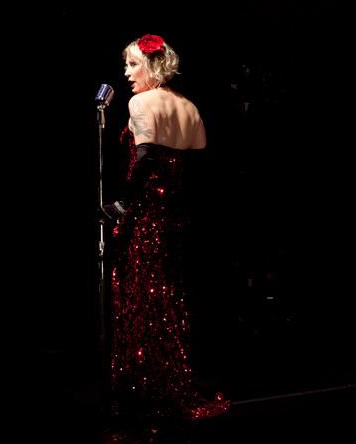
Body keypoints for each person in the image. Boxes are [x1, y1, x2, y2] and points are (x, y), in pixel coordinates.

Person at [102, 34, 230, 424]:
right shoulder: (189, 108)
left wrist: (122, 206)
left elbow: (144, 161)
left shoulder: (141, 103)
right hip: (178, 219)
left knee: (142, 299)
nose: (127, 73)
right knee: (168, 300)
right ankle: (168, 378)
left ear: (153, 67)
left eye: (133, 64)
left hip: (147, 218)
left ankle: (146, 385)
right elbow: (199, 167)